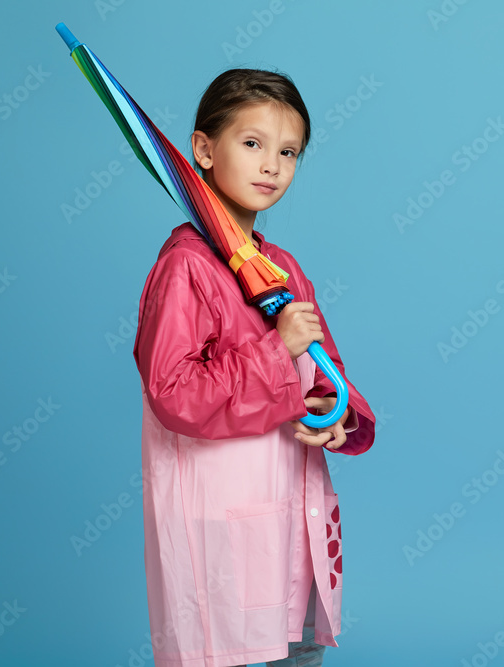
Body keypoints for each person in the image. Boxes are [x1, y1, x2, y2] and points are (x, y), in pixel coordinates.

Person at [132, 68, 376, 667]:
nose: (272, 165)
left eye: (288, 152)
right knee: (229, 646)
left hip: (293, 516)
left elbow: (327, 375)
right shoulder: (186, 268)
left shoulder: (285, 270)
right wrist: (276, 350)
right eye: (252, 144)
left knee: (295, 649)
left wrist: (335, 415)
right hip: (219, 529)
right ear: (203, 149)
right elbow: (174, 394)